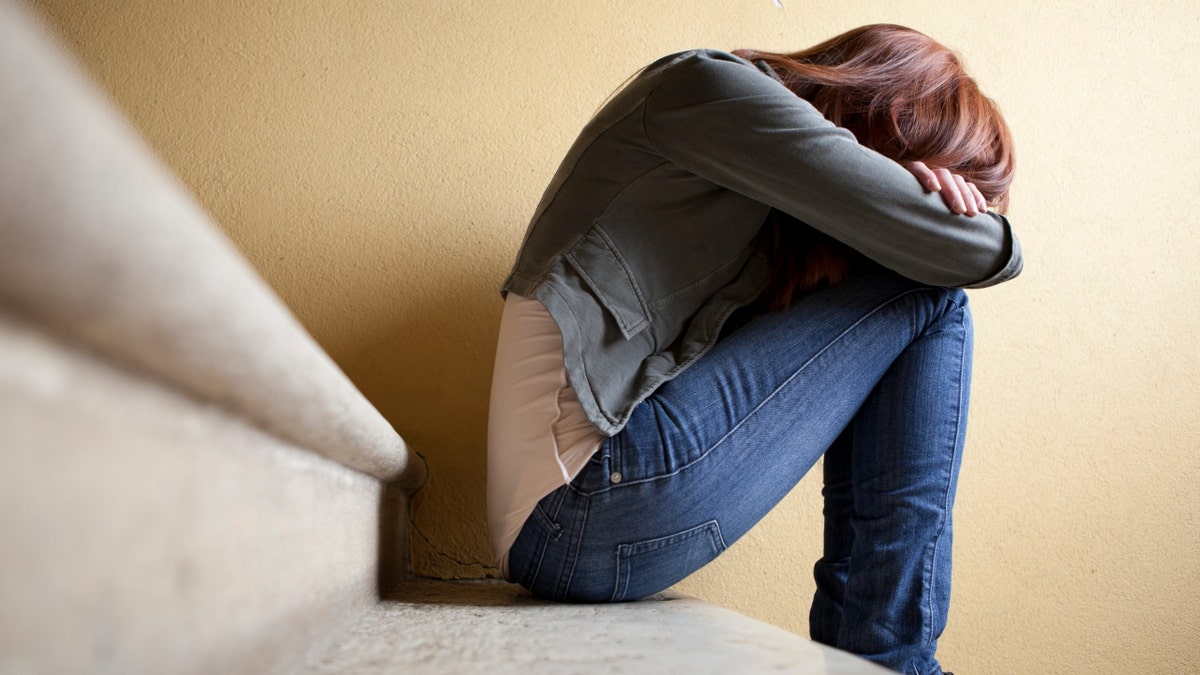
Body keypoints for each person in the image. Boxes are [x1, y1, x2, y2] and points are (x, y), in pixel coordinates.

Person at [487, 24, 1019, 674]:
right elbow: (986, 254)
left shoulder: (754, 205)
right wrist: (940, 213)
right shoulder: (704, 86)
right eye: (938, 176)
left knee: (911, 290)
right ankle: (891, 659)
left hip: (574, 524)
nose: (935, 198)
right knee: (933, 294)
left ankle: (878, 654)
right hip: (580, 507)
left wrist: (902, 208)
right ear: (893, 117)